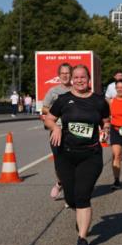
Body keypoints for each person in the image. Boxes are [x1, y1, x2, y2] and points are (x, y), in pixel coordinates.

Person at [43, 64, 110, 245]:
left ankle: (82, 239)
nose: (80, 80)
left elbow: (106, 120)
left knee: (83, 196)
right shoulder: (64, 100)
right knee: (71, 198)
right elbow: (49, 118)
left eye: (83, 77)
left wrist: (105, 131)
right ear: (72, 79)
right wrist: (55, 127)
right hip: (66, 154)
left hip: (91, 155)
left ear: (89, 79)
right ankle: (78, 215)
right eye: (77, 77)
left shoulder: (99, 101)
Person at [41, 63, 73, 201]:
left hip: (73, 131)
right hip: (56, 130)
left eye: (67, 73)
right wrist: (58, 113)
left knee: (72, 161)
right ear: (59, 76)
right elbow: (44, 109)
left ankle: (70, 192)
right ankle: (60, 183)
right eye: (63, 73)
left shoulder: (76, 90)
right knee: (60, 163)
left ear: (71, 75)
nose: (65, 75)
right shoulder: (53, 91)